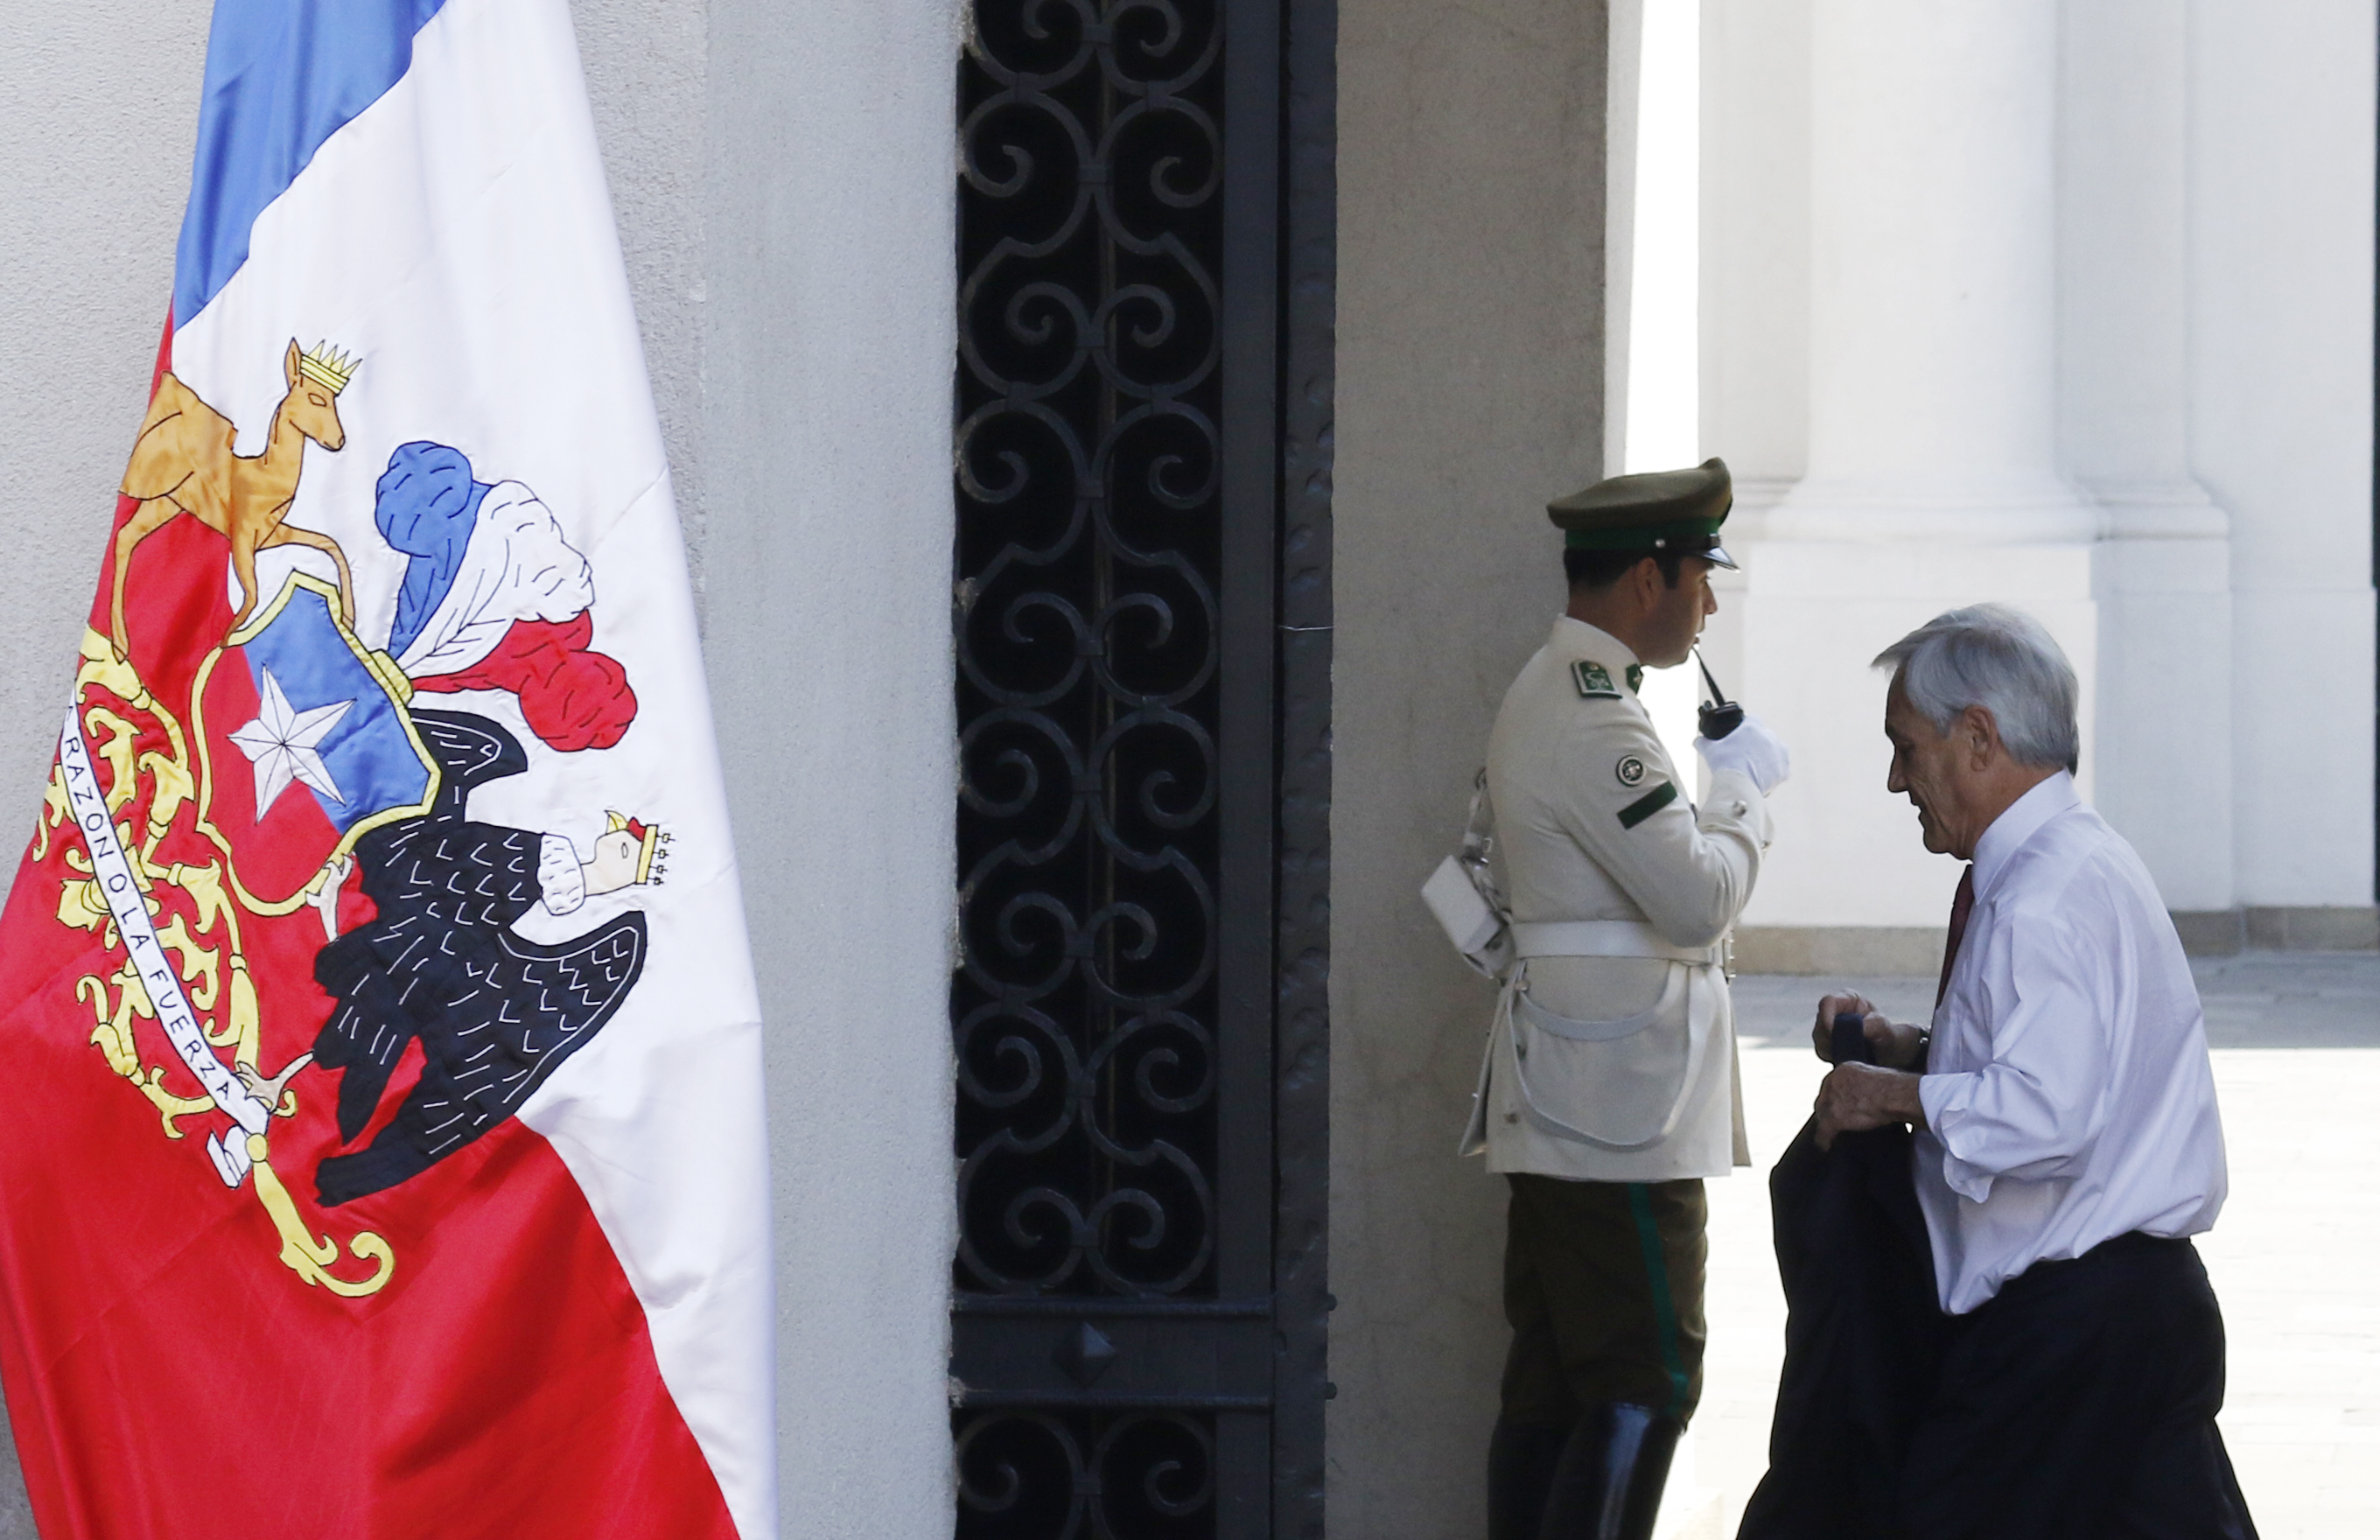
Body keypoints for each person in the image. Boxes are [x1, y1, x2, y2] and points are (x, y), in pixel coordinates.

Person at [1748, 604, 2257, 1539]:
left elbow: (2046, 1115)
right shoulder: (2068, 862)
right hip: (2125, 1312)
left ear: (1977, 737)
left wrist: (1890, 1095)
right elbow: (2053, 1069)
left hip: (2072, 1327)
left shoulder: (2042, 895)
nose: (1895, 777)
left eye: (1906, 747)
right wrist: (1908, 1049)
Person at [1461, 458, 1792, 1540]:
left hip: (1575, 1091)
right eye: (1700, 577)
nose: (1706, 605)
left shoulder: (1557, 688)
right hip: (1616, 1109)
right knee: (1645, 1375)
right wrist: (1741, 790)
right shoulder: (1594, 715)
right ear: (1649, 577)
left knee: (1556, 1381)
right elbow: (1695, 899)